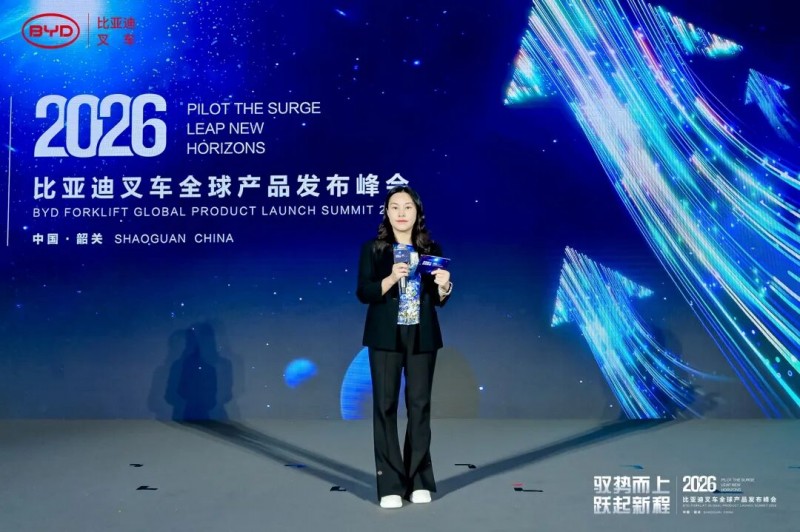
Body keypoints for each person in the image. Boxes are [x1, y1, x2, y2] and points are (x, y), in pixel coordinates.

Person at [356, 186, 452, 509]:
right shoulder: (373, 249)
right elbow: (364, 291)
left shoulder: (430, 249)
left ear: (417, 212)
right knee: (385, 406)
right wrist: (389, 279)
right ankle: (390, 484)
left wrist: (444, 286)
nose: (401, 213)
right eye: (394, 206)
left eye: (407, 207)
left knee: (419, 405)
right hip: (385, 336)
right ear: (386, 213)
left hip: (421, 335)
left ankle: (419, 479)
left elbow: (438, 299)